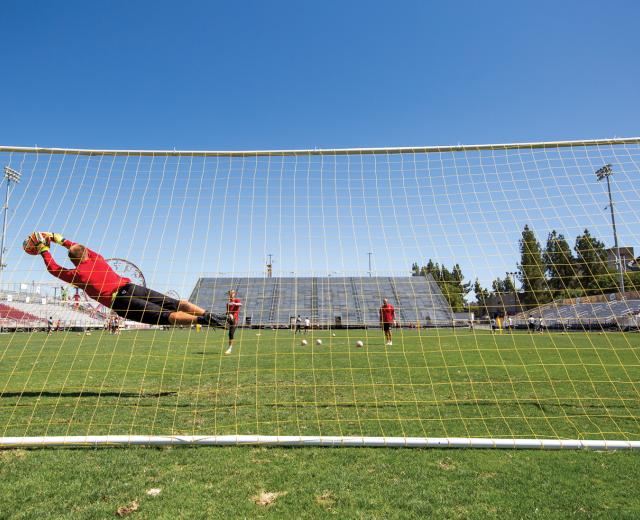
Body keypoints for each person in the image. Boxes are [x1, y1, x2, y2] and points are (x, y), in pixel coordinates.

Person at [29, 232, 226, 328]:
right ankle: (215, 315)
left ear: (73, 261)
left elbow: (53, 268)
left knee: (167, 316)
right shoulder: (97, 258)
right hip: (131, 287)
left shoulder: (77, 275)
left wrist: (43, 249)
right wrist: (57, 238)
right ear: (87, 253)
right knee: (176, 303)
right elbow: (77, 247)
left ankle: (205, 320)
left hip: (121, 301)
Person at [224, 290, 242, 355]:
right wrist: (228, 314)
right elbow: (228, 312)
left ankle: (230, 349)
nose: (231, 294)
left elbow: (240, 304)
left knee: (231, 334)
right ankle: (229, 348)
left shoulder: (237, 300)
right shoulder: (228, 304)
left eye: (232, 293)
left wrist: (234, 303)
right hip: (229, 320)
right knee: (229, 334)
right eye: (230, 293)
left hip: (235, 320)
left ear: (234, 294)